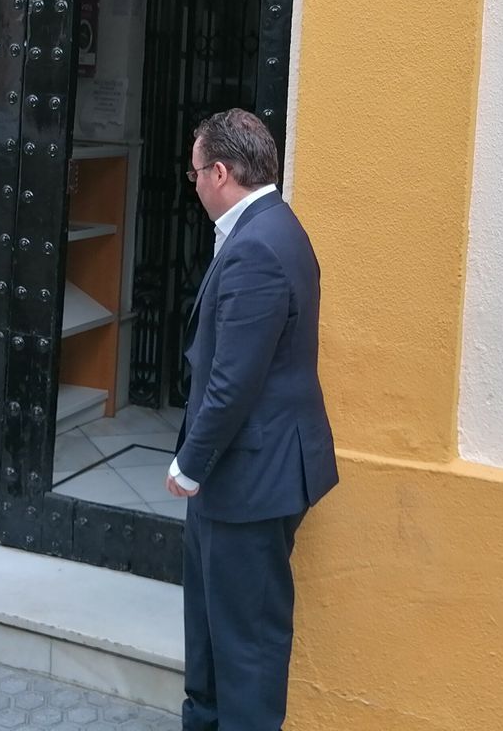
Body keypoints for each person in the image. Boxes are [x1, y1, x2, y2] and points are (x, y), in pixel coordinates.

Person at [166, 108, 339, 731]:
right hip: (246, 473)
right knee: (212, 630)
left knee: (246, 647)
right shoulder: (270, 226)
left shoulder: (258, 246)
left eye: (194, 174)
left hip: (250, 478)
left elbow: (233, 381)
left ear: (219, 171)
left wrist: (190, 464)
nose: (193, 186)